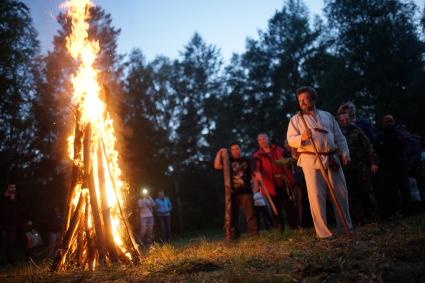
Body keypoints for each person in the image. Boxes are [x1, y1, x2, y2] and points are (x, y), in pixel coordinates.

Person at [287, 86, 352, 239]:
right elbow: (291, 140)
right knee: (317, 196)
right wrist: (301, 138)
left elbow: (339, 137)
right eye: (300, 101)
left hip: (331, 158)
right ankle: (324, 233)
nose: (302, 103)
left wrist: (345, 153)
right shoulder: (296, 120)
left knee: (341, 193)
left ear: (313, 99)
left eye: (305, 99)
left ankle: (345, 228)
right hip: (311, 159)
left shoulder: (327, 116)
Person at [337, 113, 379, 224]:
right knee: (352, 193)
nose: (345, 121)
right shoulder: (337, 134)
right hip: (347, 168)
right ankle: (358, 219)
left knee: (367, 191)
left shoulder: (357, 131)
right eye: (342, 120)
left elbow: (368, 146)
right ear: (339, 122)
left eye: (346, 119)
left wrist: (373, 163)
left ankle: (373, 217)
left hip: (361, 165)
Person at [253, 134, 299, 230]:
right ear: (258, 142)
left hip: (283, 182)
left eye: (264, 138)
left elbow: (287, 162)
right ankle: (279, 228)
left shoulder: (279, 150)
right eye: (259, 140)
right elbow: (256, 167)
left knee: (289, 205)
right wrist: (257, 173)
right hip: (270, 185)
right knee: (275, 208)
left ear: (268, 139)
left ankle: (294, 226)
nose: (262, 141)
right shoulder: (257, 155)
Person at [214, 143, 258, 239]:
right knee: (233, 215)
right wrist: (220, 152)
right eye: (233, 149)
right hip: (232, 193)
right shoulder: (228, 161)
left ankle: (254, 234)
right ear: (231, 151)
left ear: (240, 149)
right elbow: (217, 166)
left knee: (250, 214)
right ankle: (233, 236)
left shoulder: (246, 160)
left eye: (237, 149)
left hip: (246, 192)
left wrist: (255, 187)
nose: (235, 151)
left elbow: (253, 174)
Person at [374, 115, 410, 218]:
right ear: (383, 123)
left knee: (404, 189)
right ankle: (389, 212)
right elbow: (376, 151)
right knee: (387, 190)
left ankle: (407, 211)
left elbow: (405, 150)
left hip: (399, 166)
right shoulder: (379, 137)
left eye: (390, 121)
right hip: (387, 167)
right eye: (386, 122)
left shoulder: (400, 136)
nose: (389, 124)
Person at [0, 184, 20, 265]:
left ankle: (10, 261)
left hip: (14, 224)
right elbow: (2, 209)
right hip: (3, 224)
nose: (12, 189)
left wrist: (13, 199)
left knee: (11, 243)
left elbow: (19, 208)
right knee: (3, 242)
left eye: (14, 187)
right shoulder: (4, 198)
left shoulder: (17, 198)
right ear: (8, 189)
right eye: (11, 187)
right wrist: (5, 197)